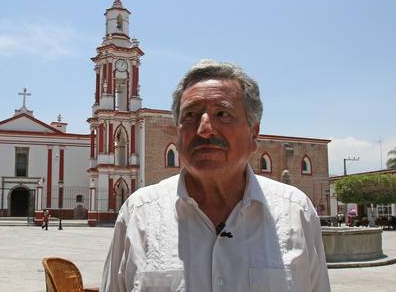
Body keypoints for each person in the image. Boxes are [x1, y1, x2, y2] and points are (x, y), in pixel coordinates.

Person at [101, 60, 330, 291]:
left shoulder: (296, 213)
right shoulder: (138, 214)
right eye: (190, 115)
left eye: (222, 114)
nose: (204, 128)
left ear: (253, 132)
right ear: (177, 131)